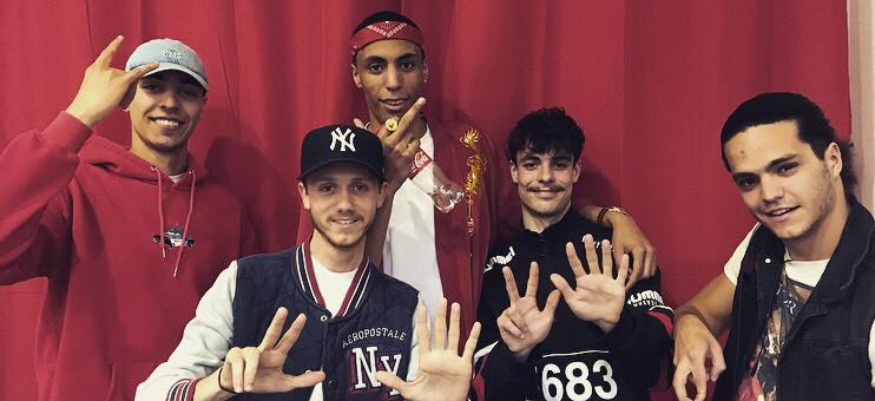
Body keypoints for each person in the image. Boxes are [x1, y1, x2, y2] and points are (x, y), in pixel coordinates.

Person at [315, 10, 658, 334]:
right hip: (373, 349)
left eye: (406, 64)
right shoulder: (340, 163)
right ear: (356, 75)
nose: (393, 82)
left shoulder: (469, 146)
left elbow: (532, 207)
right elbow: (330, 268)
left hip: (460, 350)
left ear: (425, 69)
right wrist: (385, 180)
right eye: (376, 67)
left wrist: (612, 217)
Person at [137, 122, 481, 401]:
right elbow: (151, 394)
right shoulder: (245, 281)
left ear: (381, 193)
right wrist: (220, 384)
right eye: (327, 188)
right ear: (304, 194)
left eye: (359, 187)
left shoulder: (405, 305)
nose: (344, 204)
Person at [0, 36, 255, 400]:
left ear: (202, 106)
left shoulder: (226, 209)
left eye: (187, 92)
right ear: (125, 96)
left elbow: (241, 326)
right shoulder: (75, 185)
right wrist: (79, 117)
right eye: (153, 87)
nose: (170, 102)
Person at [672, 92, 875, 401]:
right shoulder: (765, 240)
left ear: (832, 160)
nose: (768, 195)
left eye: (785, 168)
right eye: (749, 181)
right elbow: (698, 311)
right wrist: (689, 326)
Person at [473, 108, 673, 400]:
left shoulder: (619, 249)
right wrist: (514, 354)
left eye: (559, 164)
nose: (545, 177)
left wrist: (618, 325)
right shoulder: (494, 269)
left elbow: (661, 371)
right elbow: (485, 393)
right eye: (531, 164)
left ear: (576, 170)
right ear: (514, 171)